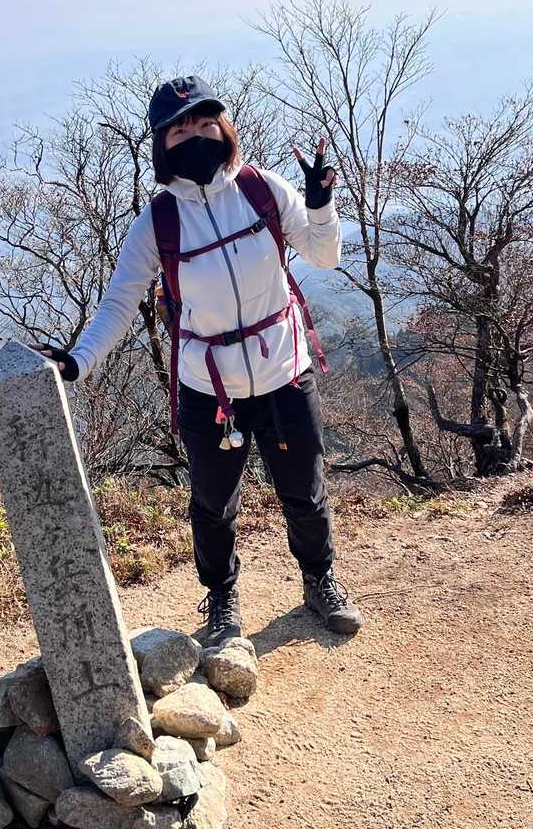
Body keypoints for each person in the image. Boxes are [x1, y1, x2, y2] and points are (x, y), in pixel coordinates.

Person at [33, 75, 362, 646]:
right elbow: (119, 302)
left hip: (284, 370)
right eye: (180, 130)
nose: (197, 137)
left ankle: (319, 580)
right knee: (212, 504)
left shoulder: (262, 189)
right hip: (210, 390)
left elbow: (325, 256)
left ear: (224, 128)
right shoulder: (158, 222)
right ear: (162, 145)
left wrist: (320, 205)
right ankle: (222, 600)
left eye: (207, 123)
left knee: (304, 490)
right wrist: (78, 362)